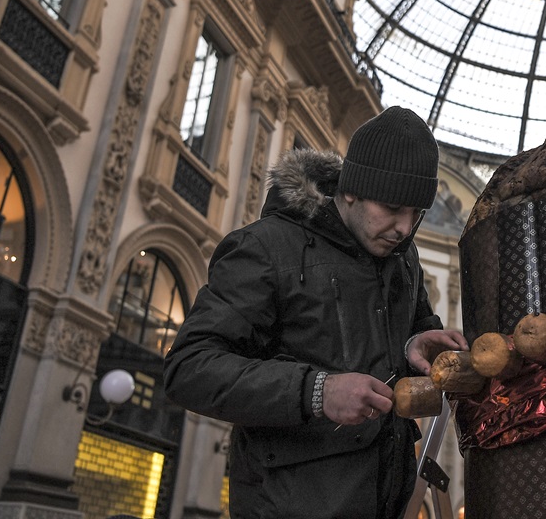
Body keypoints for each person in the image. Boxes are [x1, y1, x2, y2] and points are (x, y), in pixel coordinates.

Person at [164, 106, 467, 519]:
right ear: (351, 190)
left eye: (416, 213)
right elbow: (189, 368)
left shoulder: (403, 258)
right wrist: (317, 392)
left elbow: (404, 334)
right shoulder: (267, 247)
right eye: (393, 208)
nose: (404, 227)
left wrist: (419, 341)